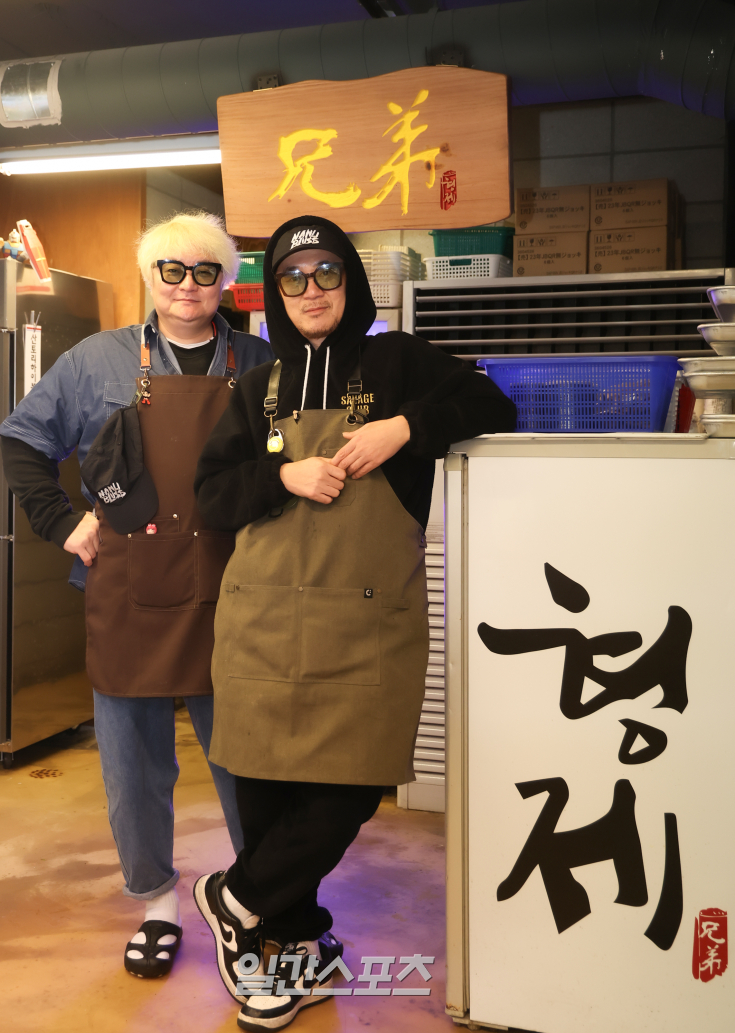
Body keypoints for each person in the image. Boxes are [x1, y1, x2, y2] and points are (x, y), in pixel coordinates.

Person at [193, 214, 517, 1030]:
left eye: (327, 273)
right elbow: (212, 497)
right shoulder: (254, 388)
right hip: (263, 627)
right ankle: (294, 950)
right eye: (293, 278)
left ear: (352, 282)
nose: (311, 291)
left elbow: (493, 400)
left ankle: (234, 896)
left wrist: (404, 427)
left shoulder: (399, 363)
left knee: (349, 790)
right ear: (275, 294)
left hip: (367, 630)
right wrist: (283, 475)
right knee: (267, 801)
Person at [0, 211, 273, 980]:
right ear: (149, 276)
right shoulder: (96, 360)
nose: (187, 286)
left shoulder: (261, 360)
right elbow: (21, 439)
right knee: (135, 766)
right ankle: (156, 902)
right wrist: (61, 523)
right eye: (171, 270)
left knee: (248, 760)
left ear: (226, 281)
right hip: (127, 589)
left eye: (205, 271)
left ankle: (258, 898)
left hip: (236, 587)